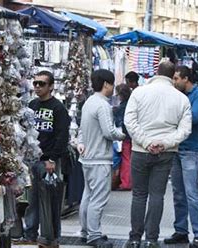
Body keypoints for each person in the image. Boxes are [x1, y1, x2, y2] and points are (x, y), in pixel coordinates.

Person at [124, 62, 192, 248]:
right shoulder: (181, 99)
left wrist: (146, 142)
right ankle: (151, 239)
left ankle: (135, 238)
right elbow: (185, 130)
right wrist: (165, 143)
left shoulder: (139, 92)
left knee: (138, 195)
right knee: (157, 195)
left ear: (156, 73)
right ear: (172, 76)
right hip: (166, 153)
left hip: (140, 150)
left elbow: (129, 121)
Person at [21, 70, 70, 247]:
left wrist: (52, 159)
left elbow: (62, 136)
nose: (37, 87)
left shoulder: (58, 108)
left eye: (42, 84)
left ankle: (49, 235)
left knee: (49, 200)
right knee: (32, 199)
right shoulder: (32, 105)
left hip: (47, 160)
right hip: (31, 159)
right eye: (35, 83)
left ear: (51, 86)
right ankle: (30, 233)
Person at [77, 69, 125, 247]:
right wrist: (123, 135)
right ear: (106, 84)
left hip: (88, 158)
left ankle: (86, 231)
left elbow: (82, 130)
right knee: (98, 198)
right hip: (99, 158)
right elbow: (109, 132)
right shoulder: (103, 105)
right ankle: (94, 235)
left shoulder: (89, 102)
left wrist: (81, 144)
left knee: (88, 197)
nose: (113, 88)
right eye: (112, 84)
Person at [165, 66, 198, 248]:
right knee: (178, 193)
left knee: (191, 193)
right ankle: (181, 231)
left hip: (191, 149)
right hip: (176, 147)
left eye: (176, 78)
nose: (174, 82)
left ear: (186, 79)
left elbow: (194, 117)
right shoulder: (178, 95)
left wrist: (173, 117)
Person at [113, 84, 133, 190]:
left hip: (124, 136)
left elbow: (119, 122)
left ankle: (126, 183)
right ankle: (128, 181)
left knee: (126, 159)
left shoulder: (121, 107)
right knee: (129, 158)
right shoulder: (131, 104)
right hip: (131, 135)